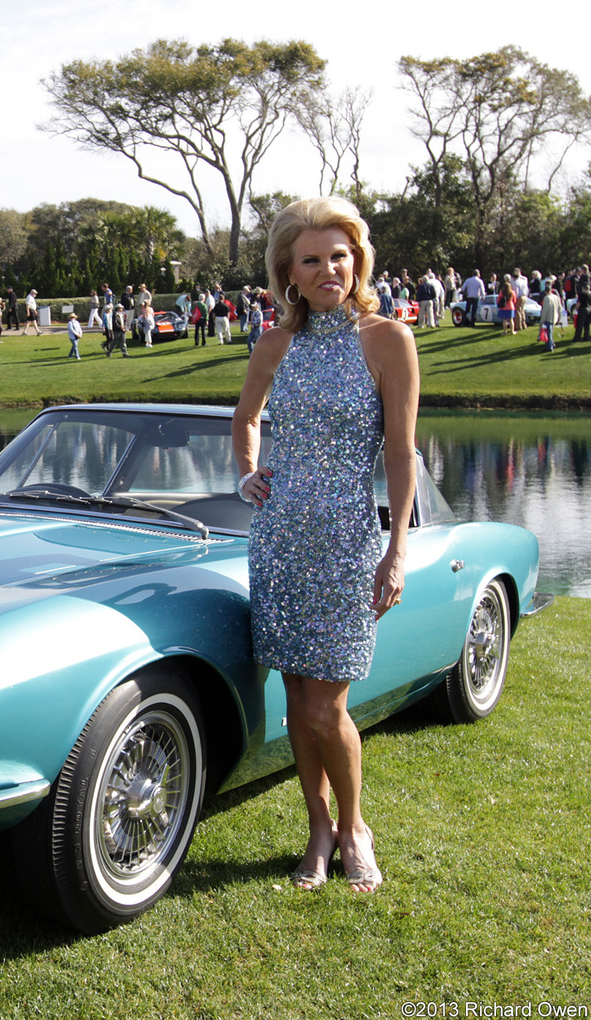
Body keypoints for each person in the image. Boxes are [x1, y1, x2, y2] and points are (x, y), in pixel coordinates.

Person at [232, 196, 417, 895]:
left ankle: (356, 827)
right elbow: (246, 416)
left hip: (346, 544)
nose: (330, 267)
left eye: (340, 254)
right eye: (313, 258)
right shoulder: (276, 344)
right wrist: (249, 473)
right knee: (294, 698)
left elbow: (401, 454)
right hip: (279, 540)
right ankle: (316, 828)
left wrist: (396, 548)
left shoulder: (388, 339)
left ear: (357, 259)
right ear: (290, 272)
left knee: (325, 707)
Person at [538, 286, 563, 352]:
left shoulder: (546, 298)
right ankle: (551, 343)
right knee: (551, 331)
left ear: (545, 291)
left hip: (548, 317)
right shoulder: (556, 297)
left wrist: (542, 319)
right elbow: (560, 307)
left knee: (548, 332)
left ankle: (549, 347)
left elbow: (545, 310)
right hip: (555, 317)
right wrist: (559, 317)